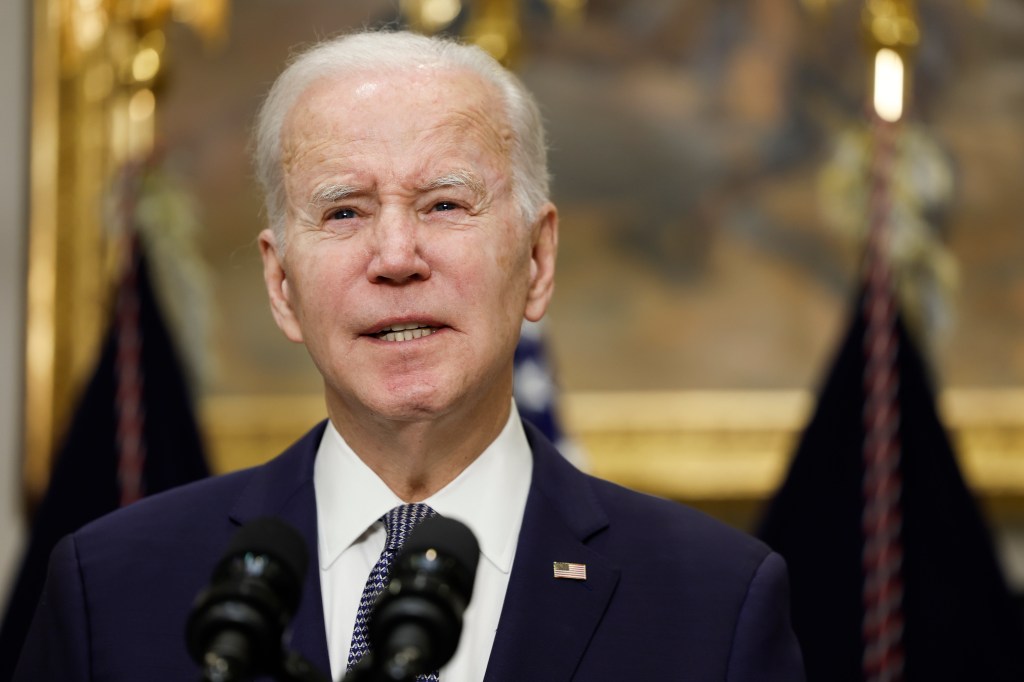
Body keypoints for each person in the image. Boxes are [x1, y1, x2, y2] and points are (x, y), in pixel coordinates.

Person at [15, 30, 804, 681]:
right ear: (281, 282)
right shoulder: (111, 591)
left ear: (537, 259)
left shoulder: (714, 605)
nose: (396, 256)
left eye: (446, 205)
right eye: (344, 210)